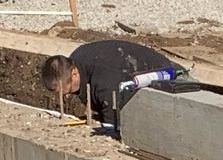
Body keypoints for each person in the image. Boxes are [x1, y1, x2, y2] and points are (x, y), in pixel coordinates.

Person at [41, 37, 181, 127]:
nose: (66, 96)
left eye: (68, 90)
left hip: (172, 81)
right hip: (133, 75)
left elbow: (112, 128)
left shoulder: (105, 84)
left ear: (74, 73)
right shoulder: (75, 60)